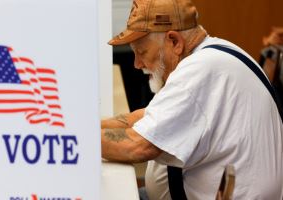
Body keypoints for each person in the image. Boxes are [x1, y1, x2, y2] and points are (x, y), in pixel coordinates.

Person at [101, 0, 283, 199]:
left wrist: (75, 139)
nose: (136, 64)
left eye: (142, 52)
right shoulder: (214, 52)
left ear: (174, 42)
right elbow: (145, 116)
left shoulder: (199, 70)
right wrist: (84, 125)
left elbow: (138, 147)